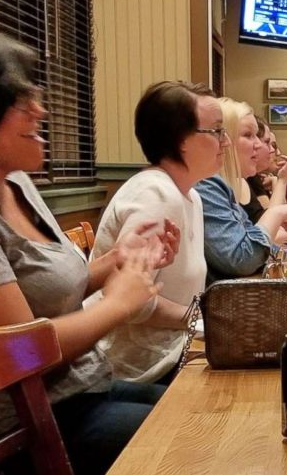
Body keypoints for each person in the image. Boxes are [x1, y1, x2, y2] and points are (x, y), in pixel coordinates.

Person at [0, 28, 178, 475]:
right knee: (207, 438)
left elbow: (42, 289)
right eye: (20, 100)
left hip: (87, 394)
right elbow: (17, 353)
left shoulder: (16, 185)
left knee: (219, 408)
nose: (41, 110)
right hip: (28, 431)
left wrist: (117, 261)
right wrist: (119, 303)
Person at [91, 81, 222, 385]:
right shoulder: (156, 193)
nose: (224, 141)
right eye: (215, 131)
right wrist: (206, 320)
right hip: (144, 368)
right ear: (180, 140)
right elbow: (133, 304)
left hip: (175, 351)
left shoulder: (190, 194)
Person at [197, 99, 287, 283]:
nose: (259, 145)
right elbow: (243, 259)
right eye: (248, 135)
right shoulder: (207, 184)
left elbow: (261, 249)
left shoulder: (225, 185)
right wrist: (279, 213)